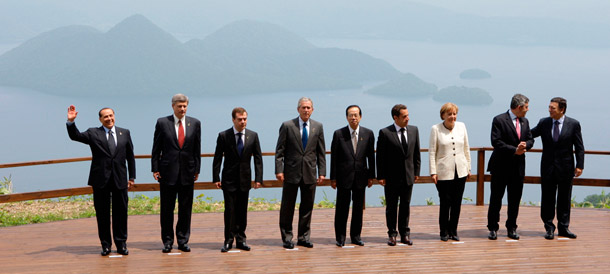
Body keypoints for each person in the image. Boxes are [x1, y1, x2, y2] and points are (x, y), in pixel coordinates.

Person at [66, 105, 135, 256]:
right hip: (100, 180)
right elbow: (75, 136)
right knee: (102, 215)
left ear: (114, 116)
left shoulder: (125, 133)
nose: (109, 119)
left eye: (111, 115)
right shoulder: (93, 133)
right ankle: (106, 245)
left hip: (120, 179)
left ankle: (121, 244)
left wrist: (131, 177)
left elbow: (130, 156)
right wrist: (71, 122)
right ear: (100, 119)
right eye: (105, 117)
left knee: (121, 213)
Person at [151, 94, 201, 253]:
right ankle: (167, 241)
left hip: (188, 172)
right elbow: (156, 148)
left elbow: (197, 149)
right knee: (167, 209)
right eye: (179, 106)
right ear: (173, 106)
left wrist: (197, 169)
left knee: (185, 209)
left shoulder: (195, 123)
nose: (182, 109)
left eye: (185, 106)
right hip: (167, 172)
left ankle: (183, 240)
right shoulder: (162, 122)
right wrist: (155, 168)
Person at [276, 97, 326, 249]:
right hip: (291, 172)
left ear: (312, 110)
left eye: (308, 107)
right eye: (303, 107)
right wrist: (279, 170)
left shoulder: (318, 127)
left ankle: (304, 237)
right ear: (298, 109)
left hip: (310, 173)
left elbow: (321, 152)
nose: (306, 110)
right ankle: (287, 237)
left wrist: (322, 172)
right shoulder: (287, 126)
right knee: (287, 207)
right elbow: (280, 151)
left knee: (307, 207)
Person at [531, 97, 584, 239]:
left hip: (566, 168)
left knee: (564, 199)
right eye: (549, 107)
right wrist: (514, 136)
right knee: (547, 198)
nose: (549, 110)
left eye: (552, 108)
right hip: (548, 167)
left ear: (562, 109)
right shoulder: (544, 122)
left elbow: (579, 147)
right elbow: (531, 134)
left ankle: (564, 227)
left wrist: (580, 165)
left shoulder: (573, 124)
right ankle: (549, 227)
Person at [213, 107, 263, 252]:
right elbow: (217, 159)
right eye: (240, 119)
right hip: (228, 180)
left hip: (245, 180)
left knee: (242, 211)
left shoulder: (253, 136)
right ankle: (228, 240)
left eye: (245, 119)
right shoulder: (224, 136)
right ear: (233, 120)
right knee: (229, 210)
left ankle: (241, 239)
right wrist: (216, 177)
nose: (243, 122)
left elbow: (258, 159)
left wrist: (258, 178)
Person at [487, 93, 534, 240]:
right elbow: (496, 142)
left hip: (518, 168)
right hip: (500, 166)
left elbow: (531, 139)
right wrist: (514, 150)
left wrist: (526, 145)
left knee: (514, 199)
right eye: (526, 107)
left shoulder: (525, 122)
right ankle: (493, 228)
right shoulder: (499, 120)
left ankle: (512, 227)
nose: (528, 109)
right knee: (496, 199)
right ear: (519, 107)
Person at [330, 105, 376, 247]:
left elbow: (370, 157)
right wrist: (333, 178)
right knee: (342, 209)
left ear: (360, 117)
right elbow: (334, 158)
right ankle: (340, 237)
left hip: (361, 177)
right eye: (350, 115)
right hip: (343, 177)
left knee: (358, 209)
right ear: (346, 117)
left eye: (356, 115)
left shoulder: (368, 133)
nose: (353, 117)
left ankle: (356, 236)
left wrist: (371, 176)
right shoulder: (339, 134)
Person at [376, 104, 421, 246]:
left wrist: (416, 172)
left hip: (408, 175)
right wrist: (381, 176)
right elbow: (380, 157)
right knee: (391, 207)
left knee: (405, 206)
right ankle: (392, 234)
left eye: (408, 115)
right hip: (391, 177)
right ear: (395, 118)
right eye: (404, 116)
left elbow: (416, 154)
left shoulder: (414, 130)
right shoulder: (385, 132)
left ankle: (405, 234)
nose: (408, 118)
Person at [429, 103, 471, 242]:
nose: (452, 117)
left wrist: (468, 167)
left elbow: (466, 148)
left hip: (461, 171)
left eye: (454, 114)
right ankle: (443, 231)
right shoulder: (436, 129)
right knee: (445, 202)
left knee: (457, 202)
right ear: (443, 115)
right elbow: (432, 152)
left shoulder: (462, 126)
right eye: (449, 114)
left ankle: (453, 231)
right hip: (443, 172)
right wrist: (433, 172)